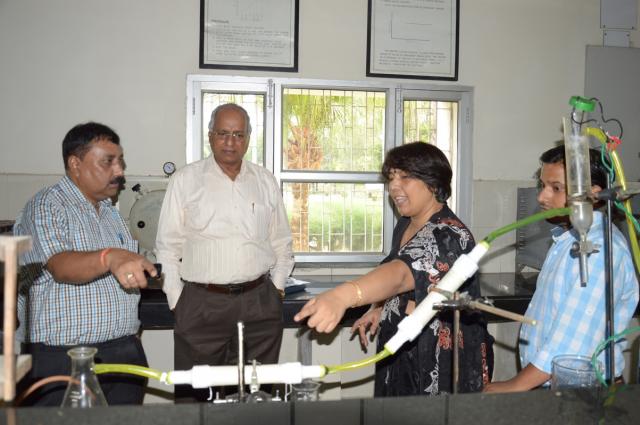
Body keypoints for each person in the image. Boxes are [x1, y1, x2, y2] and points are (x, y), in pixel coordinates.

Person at [294, 142, 494, 396]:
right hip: (403, 348)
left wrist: (343, 296)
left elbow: (401, 274)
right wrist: (379, 308)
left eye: (405, 177)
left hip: (438, 360)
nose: (394, 187)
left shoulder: (448, 234)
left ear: (433, 183)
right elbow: (398, 273)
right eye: (391, 178)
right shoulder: (407, 223)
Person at [155, 103, 294, 402]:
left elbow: (282, 242)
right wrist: (178, 300)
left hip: (259, 304)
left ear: (248, 139)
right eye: (223, 133)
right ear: (210, 136)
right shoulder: (185, 180)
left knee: (257, 394)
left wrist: (277, 289)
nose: (231, 142)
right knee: (197, 397)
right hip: (202, 304)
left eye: (238, 135)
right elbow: (167, 247)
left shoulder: (264, 180)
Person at [15, 122, 158, 406]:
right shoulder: (46, 206)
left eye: (120, 161)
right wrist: (110, 257)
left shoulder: (110, 213)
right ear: (75, 163)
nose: (119, 171)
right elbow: (60, 266)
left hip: (122, 353)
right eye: (108, 162)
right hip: (63, 359)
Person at [484, 145, 639, 393]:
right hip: (558, 385)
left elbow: (571, 342)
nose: (541, 197)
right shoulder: (568, 240)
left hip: (584, 392)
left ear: (593, 195)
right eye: (542, 185)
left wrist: (514, 386)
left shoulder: (598, 252)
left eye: (556, 188)